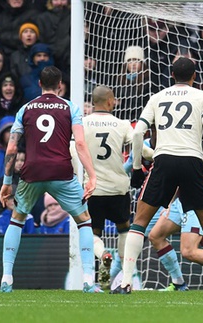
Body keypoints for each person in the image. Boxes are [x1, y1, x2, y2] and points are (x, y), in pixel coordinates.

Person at [117, 57, 203, 294]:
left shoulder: (157, 97)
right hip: (192, 161)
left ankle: (126, 282)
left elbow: (138, 133)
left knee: (139, 223)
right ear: (194, 76)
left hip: (164, 160)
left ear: (171, 75)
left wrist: (137, 167)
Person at [0, 66, 100, 293]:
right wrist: (91, 175)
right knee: (83, 220)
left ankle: (7, 277)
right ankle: (88, 280)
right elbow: (81, 144)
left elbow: (12, 146)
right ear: (60, 85)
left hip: (32, 171)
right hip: (61, 171)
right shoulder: (70, 107)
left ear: (39, 84)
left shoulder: (26, 108)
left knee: (17, 219)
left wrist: (6, 181)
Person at [82, 85, 153, 289]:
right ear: (110, 101)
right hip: (118, 187)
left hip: (93, 188)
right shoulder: (121, 124)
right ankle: (125, 273)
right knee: (124, 228)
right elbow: (140, 146)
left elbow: (73, 148)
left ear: (93, 102)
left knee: (94, 232)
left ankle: (102, 254)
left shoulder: (83, 123)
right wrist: (155, 155)